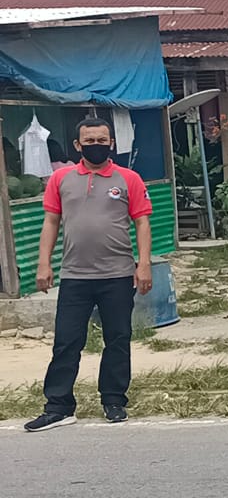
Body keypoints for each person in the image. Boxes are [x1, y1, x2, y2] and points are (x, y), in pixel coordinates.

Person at [25, 117, 153, 432]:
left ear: (111, 143)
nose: (96, 146)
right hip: (75, 276)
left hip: (118, 275)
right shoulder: (61, 179)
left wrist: (144, 264)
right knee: (66, 342)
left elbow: (142, 222)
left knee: (117, 339)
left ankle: (114, 401)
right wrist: (44, 264)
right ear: (78, 145)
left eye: (102, 141)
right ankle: (58, 406)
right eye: (90, 141)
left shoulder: (129, 179)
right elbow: (51, 222)